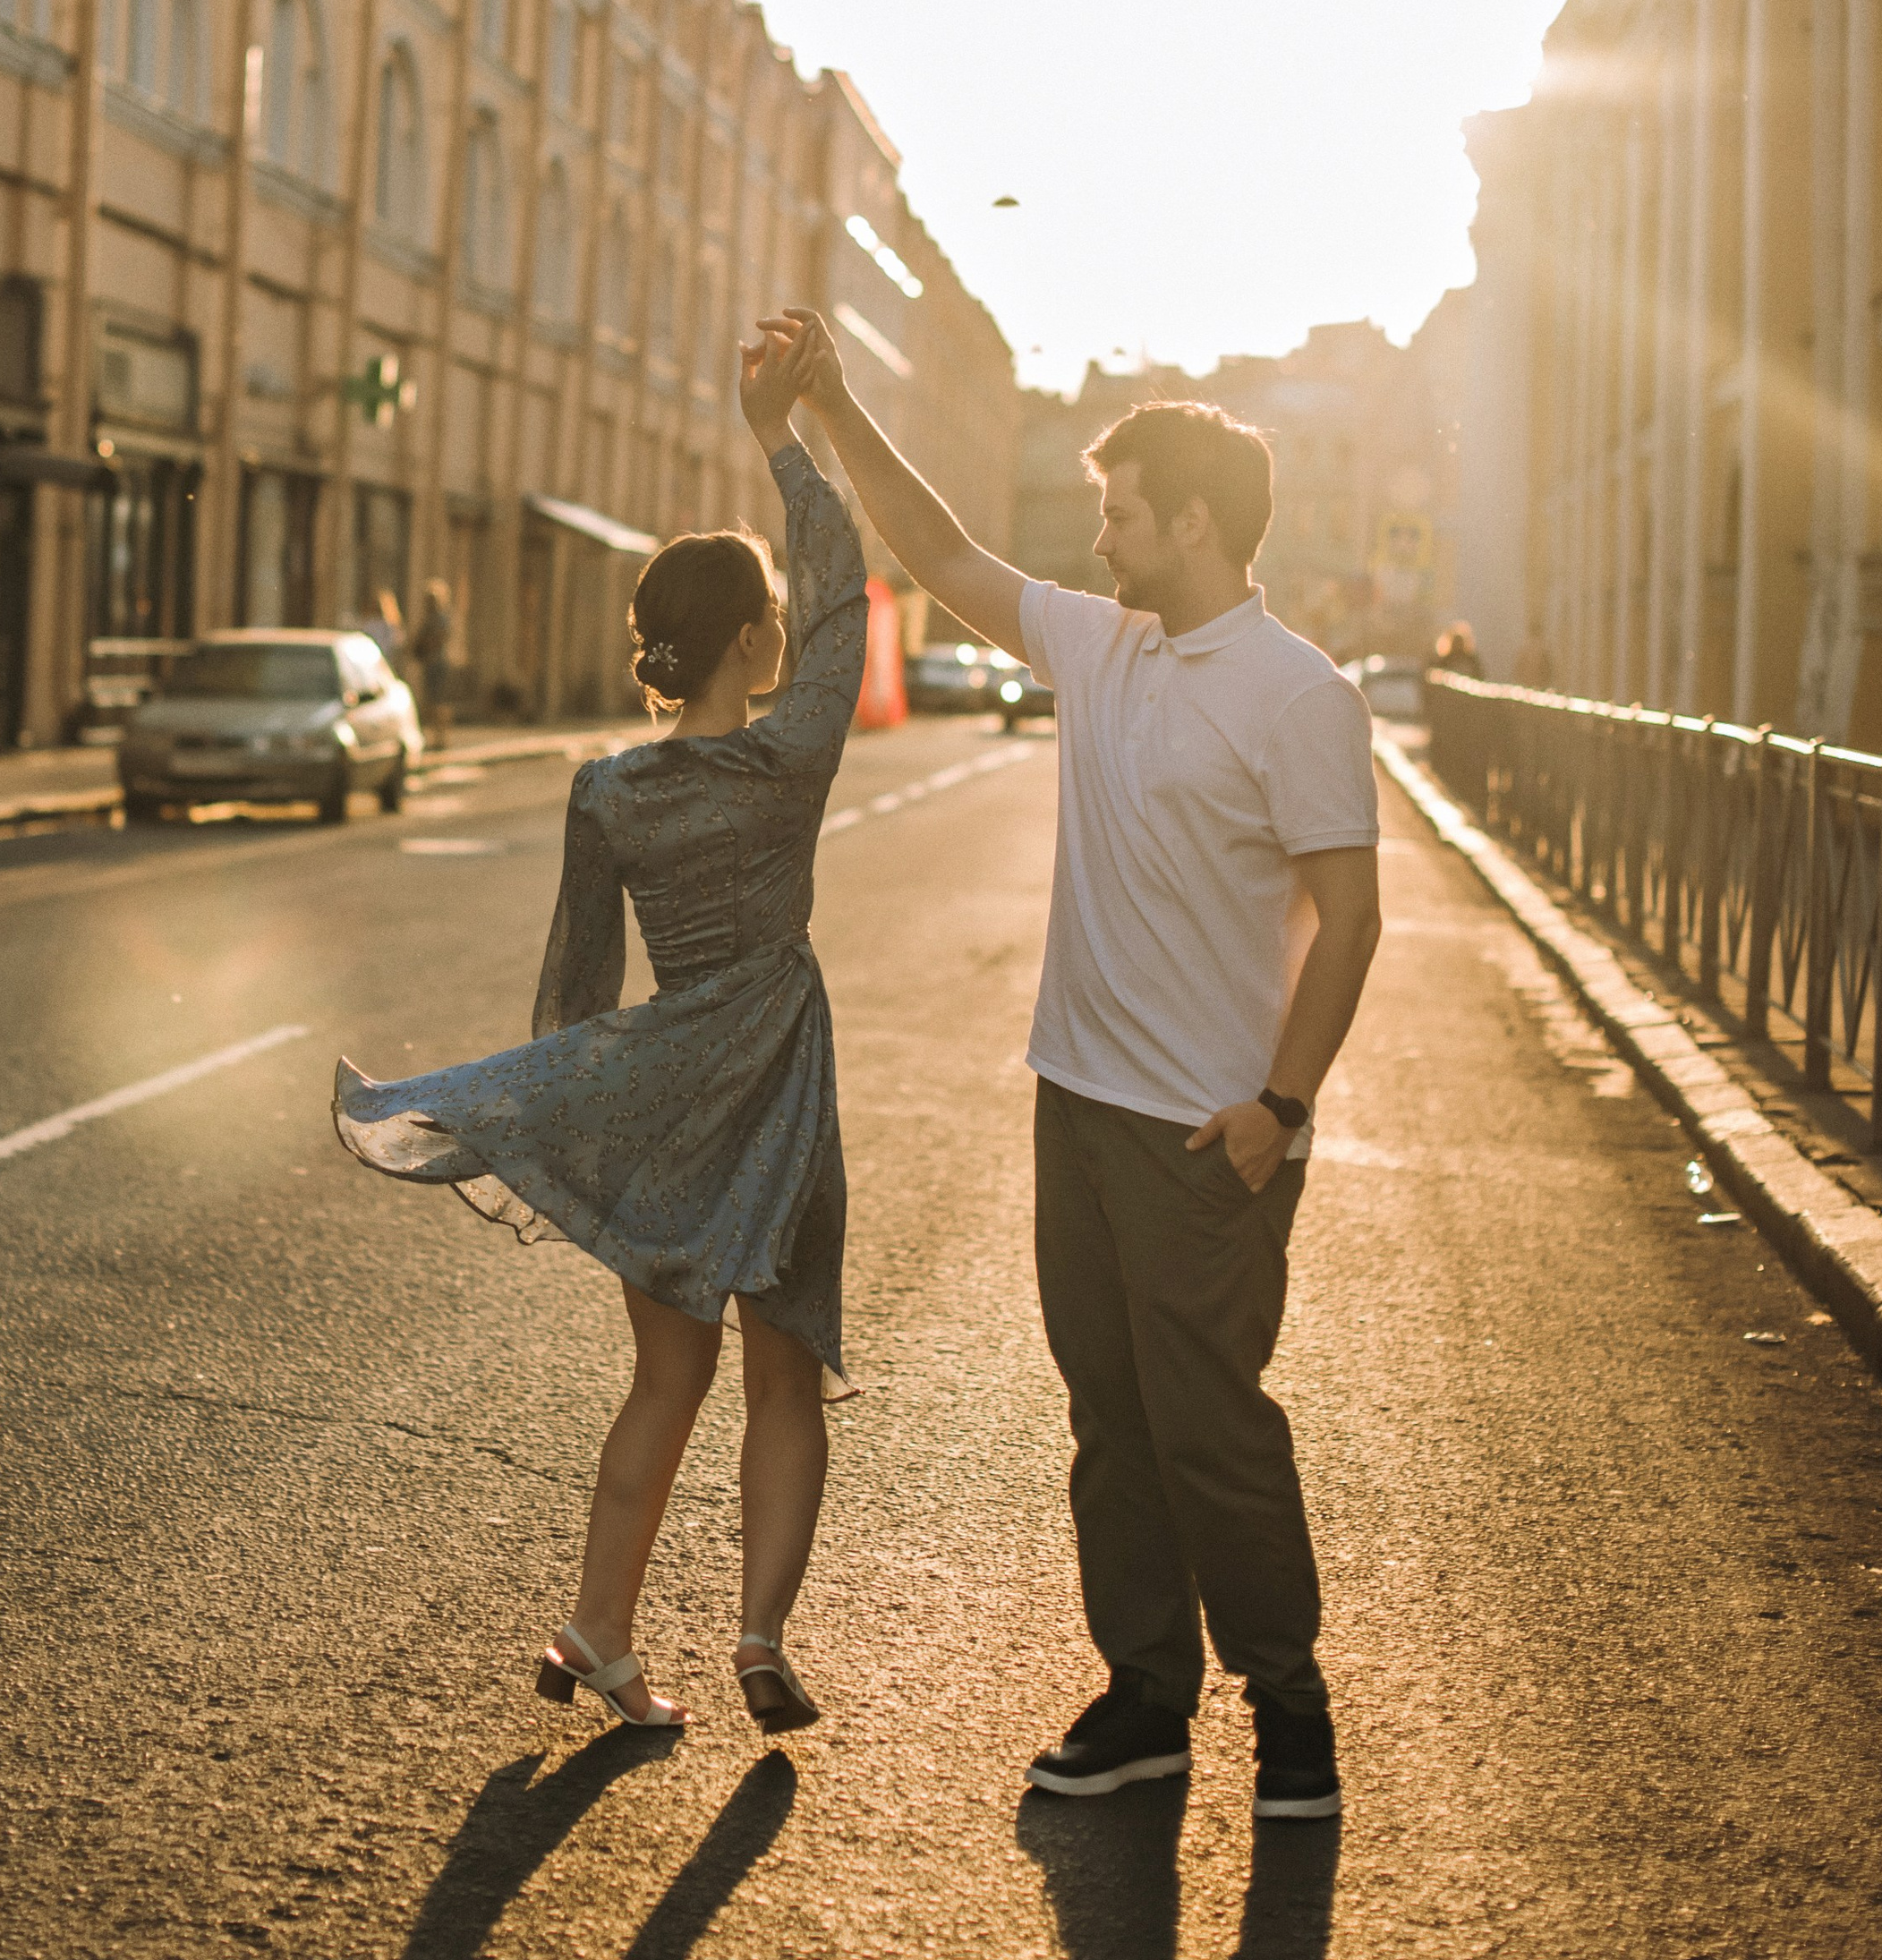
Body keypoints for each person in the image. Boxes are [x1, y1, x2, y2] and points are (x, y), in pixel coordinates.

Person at [762, 310, 1381, 1822]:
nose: (1098, 539)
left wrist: (1279, 1113)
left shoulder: (1301, 694)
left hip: (1205, 1136)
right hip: (1079, 1107)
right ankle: (1148, 1696)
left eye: (1119, 515)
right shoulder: (1100, 646)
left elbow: (1351, 921)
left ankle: (1289, 1710)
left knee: (1211, 1425)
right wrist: (831, 406)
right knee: (1108, 1418)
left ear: (1193, 523)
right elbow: (946, 550)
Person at [333, 324, 866, 1736]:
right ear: (758, 641)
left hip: (671, 1106)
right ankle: (758, 1633)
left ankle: (600, 1632)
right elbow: (848, 597)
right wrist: (782, 439)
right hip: (786, 1095)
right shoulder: (796, 750)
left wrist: (568, 1124)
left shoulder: (609, 791)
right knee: (784, 1379)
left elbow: (573, 998)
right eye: (777, 618)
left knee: (662, 1385)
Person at [412, 579, 454, 752]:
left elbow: (439, 638)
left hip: (437, 663)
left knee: (438, 701)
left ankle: (441, 738)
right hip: (430, 662)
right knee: (432, 700)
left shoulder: (440, 618)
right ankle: (435, 737)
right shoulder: (429, 618)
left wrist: (427, 645)